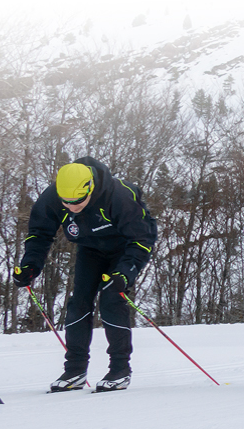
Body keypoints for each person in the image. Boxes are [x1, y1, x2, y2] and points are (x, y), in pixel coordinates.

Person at [13, 158, 158, 392]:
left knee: (112, 299)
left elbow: (142, 239)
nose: (72, 207)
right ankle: (75, 371)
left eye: (78, 201)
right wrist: (30, 266)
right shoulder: (52, 196)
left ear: (90, 188)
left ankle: (120, 369)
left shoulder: (120, 196)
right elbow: (39, 233)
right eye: (66, 202)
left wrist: (126, 272)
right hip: (90, 249)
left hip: (124, 249)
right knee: (78, 302)